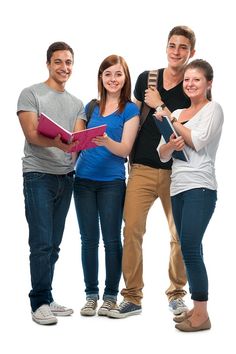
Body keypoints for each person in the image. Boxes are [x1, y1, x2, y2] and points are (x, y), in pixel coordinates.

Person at [108, 25, 196, 319]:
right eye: (172, 45)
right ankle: (132, 296)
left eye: (183, 47)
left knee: (180, 235)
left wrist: (163, 107)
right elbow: (132, 113)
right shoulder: (148, 79)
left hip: (179, 172)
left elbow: (195, 128)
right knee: (131, 230)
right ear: (166, 47)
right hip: (143, 169)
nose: (176, 51)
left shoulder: (192, 85)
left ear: (191, 53)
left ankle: (176, 294)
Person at [17, 41, 86, 325]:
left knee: (54, 244)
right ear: (48, 63)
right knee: (41, 242)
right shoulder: (31, 94)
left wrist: (77, 142)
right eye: (58, 62)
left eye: (68, 62)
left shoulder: (77, 103)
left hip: (65, 177)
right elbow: (32, 134)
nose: (64, 67)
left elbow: (78, 139)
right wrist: (58, 142)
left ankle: (47, 297)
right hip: (38, 175)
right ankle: (38, 302)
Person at [155, 59, 224, 331]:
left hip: (200, 187)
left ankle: (202, 315)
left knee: (191, 249)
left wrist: (171, 119)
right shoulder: (180, 110)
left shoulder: (213, 109)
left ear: (208, 83)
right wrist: (171, 145)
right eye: (187, 80)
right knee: (188, 249)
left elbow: (197, 140)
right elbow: (161, 154)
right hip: (178, 187)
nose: (190, 84)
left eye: (196, 79)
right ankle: (197, 307)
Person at [73, 55, 139, 317]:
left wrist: (104, 140)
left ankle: (111, 296)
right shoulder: (91, 107)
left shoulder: (130, 109)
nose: (113, 79)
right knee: (88, 240)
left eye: (118, 74)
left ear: (125, 78)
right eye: (108, 74)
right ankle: (91, 295)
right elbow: (77, 144)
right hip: (83, 181)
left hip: (112, 182)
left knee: (111, 240)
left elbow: (124, 149)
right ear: (101, 77)